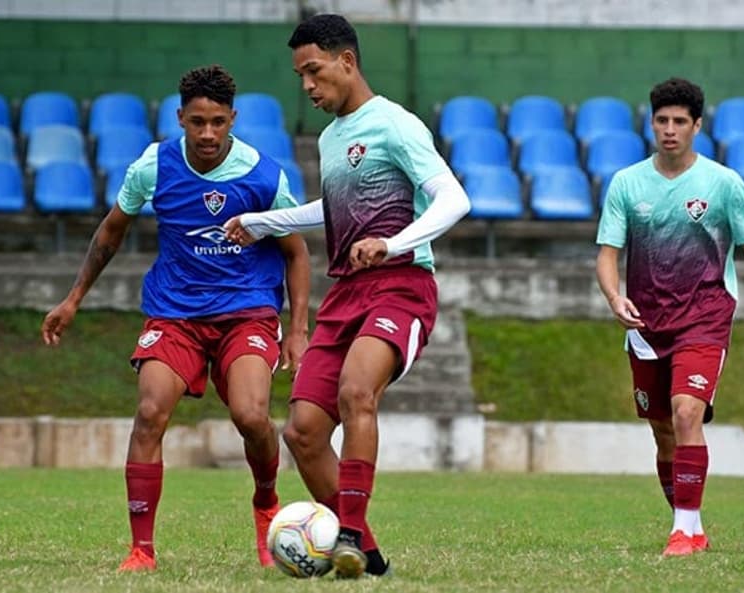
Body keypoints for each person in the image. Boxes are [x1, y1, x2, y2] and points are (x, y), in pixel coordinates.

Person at [224, 13, 471, 579]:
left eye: (313, 72)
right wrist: (264, 221)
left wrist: (393, 242)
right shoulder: (334, 136)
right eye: (300, 76)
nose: (307, 86)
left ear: (347, 62)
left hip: (401, 287)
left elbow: (454, 200)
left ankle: (350, 529)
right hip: (345, 295)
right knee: (302, 431)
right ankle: (367, 553)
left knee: (358, 392)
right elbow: (331, 210)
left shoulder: (397, 125)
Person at [40, 65, 310, 572]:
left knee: (252, 417)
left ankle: (266, 502)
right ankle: (141, 550)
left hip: (246, 312)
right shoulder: (154, 167)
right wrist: (73, 298)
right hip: (175, 313)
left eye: (218, 122)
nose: (207, 134)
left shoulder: (264, 175)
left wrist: (297, 329)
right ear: (180, 117)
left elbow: (296, 253)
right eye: (197, 122)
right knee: (149, 413)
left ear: (233, 119)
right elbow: (111, 231)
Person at [595, 77, 744, 557]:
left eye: (680, 121)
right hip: (646, 326)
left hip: (705, 317)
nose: (670, 129)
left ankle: (685, 529)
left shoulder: (723, 183)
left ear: (697, 126)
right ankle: (689, 526)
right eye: (662, 120)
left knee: (686, 412)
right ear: (651, 123)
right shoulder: (627, 183)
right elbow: (607, 254)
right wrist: (615, 298)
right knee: (662, 430)